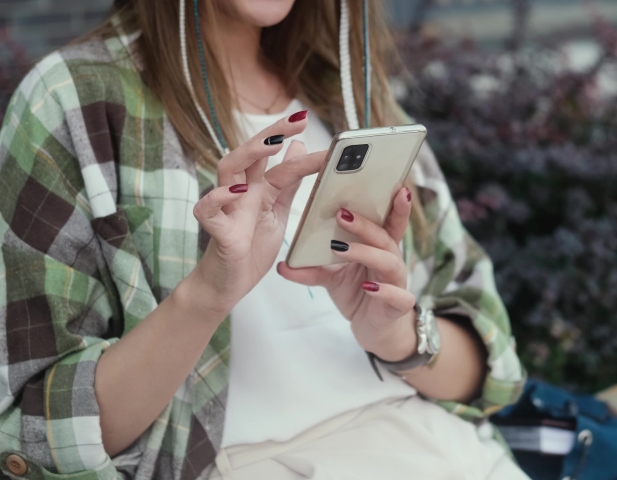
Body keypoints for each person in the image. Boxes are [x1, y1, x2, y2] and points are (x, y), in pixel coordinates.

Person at [0, 0, 528, 478]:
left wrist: (395, 338)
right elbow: (34, 436)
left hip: (446, 452)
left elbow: (493, 370)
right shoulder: (76, 100)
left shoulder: (345, 88)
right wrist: (206, 295)